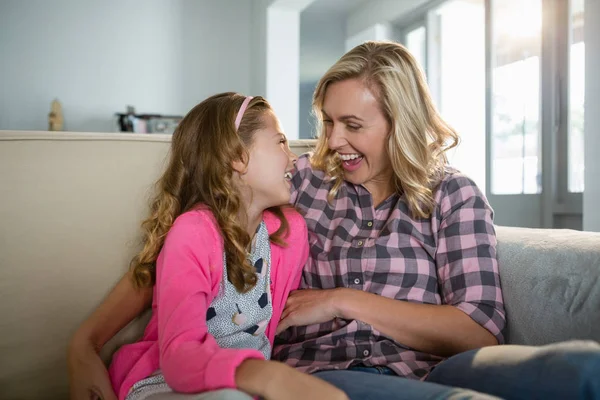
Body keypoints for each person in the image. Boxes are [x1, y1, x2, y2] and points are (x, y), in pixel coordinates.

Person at [68, 42, 600, 400]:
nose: (332, 142)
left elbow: (478, 329)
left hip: (429, 367)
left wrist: (342, 300)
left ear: (401, 125)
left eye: (353, 125)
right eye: (327, 122)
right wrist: (86, 340)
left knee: (581, 370)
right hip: (326, 375)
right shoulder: (299, 184)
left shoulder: (452, 195)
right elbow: (189, 249)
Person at [76, 92, 348, 400]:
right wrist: (267, 375)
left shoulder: (289, 234)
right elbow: (180, 356)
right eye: (280, 142)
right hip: (166, 384)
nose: (293, 158)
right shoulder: (193, 232)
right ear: (237, 156)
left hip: (245, 389)